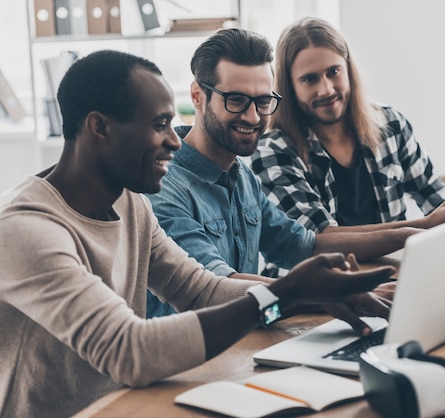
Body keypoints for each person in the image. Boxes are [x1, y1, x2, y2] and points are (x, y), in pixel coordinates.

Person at [0, 49, 396, 418]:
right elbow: (130, 350)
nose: (175, 141)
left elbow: (201, 292)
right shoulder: (25, 229)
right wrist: (284, 293)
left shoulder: (130, 203)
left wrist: (309, 293)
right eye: (159, 125)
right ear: (99, 127)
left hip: (128, 404)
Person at [145, 28, 428, 317]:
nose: (253, 117)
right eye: (236, 100)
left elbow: (303, 245)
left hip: (245, 343)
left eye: (263, 101)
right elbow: (214, 289)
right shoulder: (162, 185)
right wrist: (325, 295)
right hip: (193, 359)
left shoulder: (242, 175)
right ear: (197, 96)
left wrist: (411, 232)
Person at [249, 17, 445, 240]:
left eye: (333, 72)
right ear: (289, 86)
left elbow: (435, 196)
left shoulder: (390, 124)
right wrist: (425, 225)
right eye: (310, 79)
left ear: (348, 69)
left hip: (393, 275)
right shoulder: (274, 150)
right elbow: (320, 238)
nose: (326, 90)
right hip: (317, 286)